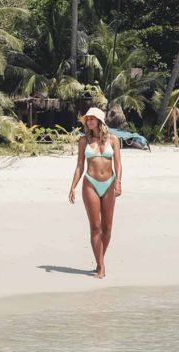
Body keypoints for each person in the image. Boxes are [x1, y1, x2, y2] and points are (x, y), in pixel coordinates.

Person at [68, 107, 122, 279]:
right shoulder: (84, 140)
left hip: (109, 183)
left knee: (107, 227)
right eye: (87, 119)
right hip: (90, 183)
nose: (89, 121)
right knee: (96, 226)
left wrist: (119, 182)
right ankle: (101, 265)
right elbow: (79, 166)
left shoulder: (113, 139)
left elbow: (118, 164)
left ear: (99, 120)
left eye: (92, 118)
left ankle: (100, 259)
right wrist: (72, 187)